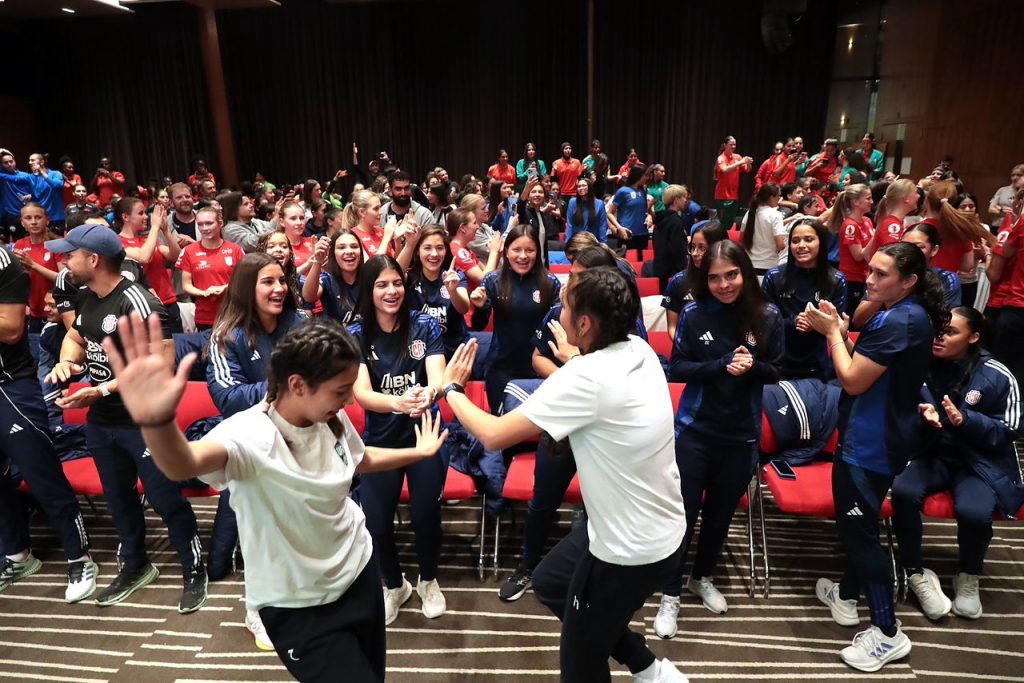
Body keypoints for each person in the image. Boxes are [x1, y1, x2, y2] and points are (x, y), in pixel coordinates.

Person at [105, 314, 447, 681]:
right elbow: (182, 463)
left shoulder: (328, 418)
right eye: (340, 390)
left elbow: (361, 458)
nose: (350, 399)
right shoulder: (249, 435)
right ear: (297, 384)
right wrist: (156, 422)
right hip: (298, 605)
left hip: (359, 571)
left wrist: (419, 453)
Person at [443, 267, 689, 682]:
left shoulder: (585, 377)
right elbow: (595, 384)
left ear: (585, 324)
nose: (559, 311)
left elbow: (494, 435)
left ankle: (642, 668)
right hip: (652, 526)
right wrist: (574, 359)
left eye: (566, 305)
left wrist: (451, 389)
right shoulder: (638, 350)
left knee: (580, 666)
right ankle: (649, 669)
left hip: (629, 550)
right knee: (552, 581)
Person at [44, 224, 207, 612]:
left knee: (165, 499)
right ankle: (136, 565)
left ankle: (194, 568)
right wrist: (67, 362)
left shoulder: (139, 302)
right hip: (103, 423)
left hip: (145, 420)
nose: (63, 261)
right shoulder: (87, 296)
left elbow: (161, 365)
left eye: (70, 254)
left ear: (93, 260)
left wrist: (101, 389)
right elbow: (76, 338)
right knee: (119, 500)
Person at [805, 242, 950, 673]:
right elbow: (882, 369)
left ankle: (888, 632)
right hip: (883, 435)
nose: (868, 279)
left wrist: (832, 333)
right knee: (862, 523)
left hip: (869, 443)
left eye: (881, 274)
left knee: (860, 535)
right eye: (870, 270)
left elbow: (851, 379)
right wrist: (842, 330)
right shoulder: (907, 314)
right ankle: (847, 594)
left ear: (909, 281)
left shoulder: (900, 319)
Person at [654, 241, 782, 637]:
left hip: (742, 435)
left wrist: (752, 367)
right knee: (683, 514)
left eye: (731, 275)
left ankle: (702, 577)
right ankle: (670, 593)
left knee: (721, 514)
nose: (724, 285)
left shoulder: (767, 315)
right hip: (696, 431)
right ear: (703, 280)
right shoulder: (694, 314)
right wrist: (722, 365)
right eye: (714, 278)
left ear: (745, 273)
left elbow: (777, 370)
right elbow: (678, 368)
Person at [891, 306, 1022, 622]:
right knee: (902, 492)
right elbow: (895, 410)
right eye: (938, 330)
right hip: (932, 452)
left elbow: (1010, 429)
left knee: (974, 512)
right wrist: (922, 418)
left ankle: (968, 574)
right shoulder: (921, 365)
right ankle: (915, 571)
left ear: (973, 337)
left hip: (978, 460)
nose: (940, 337)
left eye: (951, 332)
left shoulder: (998, 374)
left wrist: (966, 421)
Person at [206, 251, 308, 649]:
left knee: (297, 531)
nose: (279, 288)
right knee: (261, 537)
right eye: (268, 282)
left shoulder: (299, 324)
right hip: (253, 449)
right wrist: (285, 387)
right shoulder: (225, 336)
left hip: (299, 441)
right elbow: (227, 398)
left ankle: (298, 599)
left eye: (281, 280)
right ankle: (257, 608)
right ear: (247, 288)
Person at [347, 255, 449, 625]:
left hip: (424, 436)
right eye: (382, 285)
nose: (392, 291)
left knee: (426, 517)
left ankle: (428, 580)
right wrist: (397, 402)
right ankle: (394, 584)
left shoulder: (424, 324)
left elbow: (437, 377)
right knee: (376, 523)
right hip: (381, 441)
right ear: (369, 290)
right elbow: (362, 393)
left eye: (396, 284)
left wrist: (429, 393)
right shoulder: (356, 333)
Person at [0, 244, 96, 603]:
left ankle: (80, 558)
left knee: (42, 475)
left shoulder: (4, 261)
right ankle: (17, 555)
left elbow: (11, 328)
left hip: (10, 385)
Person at [470, 225, 560, 414]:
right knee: (503, 425)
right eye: (516, 250)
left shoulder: (550, 283)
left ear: (538, 252)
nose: (523, 256)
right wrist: (480, 307)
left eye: (530, 250)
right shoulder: (493, 281)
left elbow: (558, 328)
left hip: (538, 368)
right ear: (506, 251)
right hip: (501, 369)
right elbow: (478, 324)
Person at [761, 219, 847, 379]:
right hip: (779, 364)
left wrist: (816, 323)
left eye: (808, 239)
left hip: (818, 367)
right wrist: (793, 322)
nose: (801, 245)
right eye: (795, 241)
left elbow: (837, 325)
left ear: (821, 242)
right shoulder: (774, 277)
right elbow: (762, 323)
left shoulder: (836, 280)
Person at [115, 198, 183, 333]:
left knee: (179, 344)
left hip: (169, 302)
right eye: (141, 213)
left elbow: (175, 256)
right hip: (145, 307)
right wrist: (155, 227)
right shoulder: (118, 242)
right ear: (125, 217)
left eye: (146, 213)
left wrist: (166, 231)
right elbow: (144, 257)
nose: (146, 217)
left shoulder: (147, 239)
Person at [405, 225, 470, 359]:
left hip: (453, 348)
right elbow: (394, 273)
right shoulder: (410, 277)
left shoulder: (455, 275)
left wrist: (452, 291)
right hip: (419, 350)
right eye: (427, 248)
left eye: (440, 248)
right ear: (417, 251)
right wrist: (409, 244)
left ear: (446, 250)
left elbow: (464, 308)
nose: (434, 254)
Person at [177, 206, 244, 330]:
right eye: (200, 224)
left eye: (209, 223)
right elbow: (186, 286)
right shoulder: (189, 251)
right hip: (205, 317)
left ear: (220, 223)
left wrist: (225, 288)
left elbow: (245, 282)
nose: (204, 228)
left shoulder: (236, 250)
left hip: (234, 315)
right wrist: (204, 293)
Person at [661, 221, 729, 340]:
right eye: (692, 247)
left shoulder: (731, 283)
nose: (695, 253)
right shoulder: (678, 281)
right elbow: (672, 327)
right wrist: (684, 346)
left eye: (702, 248)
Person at [919, 180, 992, 276]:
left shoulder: (915, 230)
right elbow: (967, 266)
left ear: (927, 202)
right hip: (948, 282)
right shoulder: (961, 232)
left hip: (921, 282)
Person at [826, 184, 875, 316]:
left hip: (866, 276)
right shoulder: (850, 226)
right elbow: (858, 256)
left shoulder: (867, 221)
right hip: (852, 279)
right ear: (856, 202)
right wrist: (877, 235)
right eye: (868, 198)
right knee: (851, 316)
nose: (872, 202)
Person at [12, 203, 62, 332]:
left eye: (38, 217)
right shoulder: (20, 245)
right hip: (33, 312)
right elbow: (16, 281)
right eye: (28, 218)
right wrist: (23, 305)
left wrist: (33, 265)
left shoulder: (57, 244)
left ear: (47, 220)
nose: (33, 222)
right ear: (22, 223)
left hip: (57, 312)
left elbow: (64, 279)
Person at [301, 229, 363, 325]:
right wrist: (318, 261)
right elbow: (308, 297)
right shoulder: (327, 279)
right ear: (333, 253)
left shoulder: (369, 278)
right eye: (341, 248)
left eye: (354, 246)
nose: (349, 251)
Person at [652, 185, 693, 291]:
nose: (686, 200)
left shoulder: (660, 220)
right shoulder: (676, 222)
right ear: (676, 200)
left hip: (660, 269)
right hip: (672, 274)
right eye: (683, 197)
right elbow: (677, 249)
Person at [447, 208, 501, 289]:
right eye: (474, 223)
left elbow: (488, 272)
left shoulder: (465, 248)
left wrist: (497, 255)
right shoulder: (459, 252)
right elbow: (484, 279)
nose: (477, 227)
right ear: (462, 228)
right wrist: (493, 251)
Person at [741, 183, 786, 275]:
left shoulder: (750, 213)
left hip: (750, 265)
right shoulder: (775, 215)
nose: (780, 199)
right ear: (771, 198)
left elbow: (741, 239)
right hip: (768, 266)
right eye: (778, 196)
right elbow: (780, 245)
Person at [608, 165, 650, 260]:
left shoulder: (643, 191)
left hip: (643, 234)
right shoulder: (623, 191)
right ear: (639, 175)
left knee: (641, 263)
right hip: (627, 235)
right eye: (646, 175)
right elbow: (610, 213)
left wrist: (649, 216)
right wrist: (619, 227)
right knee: (627, 264)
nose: (647, 178)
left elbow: (645, 211)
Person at [713, 136, 753, 230]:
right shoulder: (721, 158)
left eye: (734, 144)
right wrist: (740, 162)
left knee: (730, 223)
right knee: (722, 223)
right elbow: (725, 170)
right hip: (722, 197)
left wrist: (747, 162)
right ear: (725, 145)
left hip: (734, 196)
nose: (733, 146)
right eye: (731, 144)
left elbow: (747, 170)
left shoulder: (737, 157)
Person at [873, 178, 919, 250]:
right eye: (916, 192)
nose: (918, 196)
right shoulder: (892, 225)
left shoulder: (896, 222)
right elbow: (893, 254)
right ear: (906, 198)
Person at [0, 149, 36, 238]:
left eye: (11, 161)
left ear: (15, 161)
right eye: (6, 163)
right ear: (1, 165)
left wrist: (31, 195)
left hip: (26, 212)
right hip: (10, 214)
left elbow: (37, 193)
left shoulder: (25, 176)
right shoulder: (1, 178)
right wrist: (2, 150)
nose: (9, 164)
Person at [28, 153, 66, 230]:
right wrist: (29, 196)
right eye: (29, 160)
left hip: (56, 217)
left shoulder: (55, 173)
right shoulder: (31, 177)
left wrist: (41, 172)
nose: (30, 162)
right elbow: (36, 194)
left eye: (32, 160)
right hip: (40, 217)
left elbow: (57, 185)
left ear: (42, 162)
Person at [565, 177, 607, 244]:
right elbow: (570, 225)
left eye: (583, 185)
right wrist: (567, 243)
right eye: (579, 186)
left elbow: (602, 226)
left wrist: (603, 243)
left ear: (590, 187)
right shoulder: (572, 202)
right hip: (577, 242)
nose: (581, 188)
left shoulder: (599, 203)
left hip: (593, 242)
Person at [551, 143, 584, 210]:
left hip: (574, 193)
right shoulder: (557, 163)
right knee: (562, 213)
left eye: (569, 148)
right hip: (561, 193)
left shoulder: (577, 162)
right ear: (562, 150)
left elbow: (580, 177)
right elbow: (552, 179)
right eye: (566, 148)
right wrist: (555, 170)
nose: (568, 150)